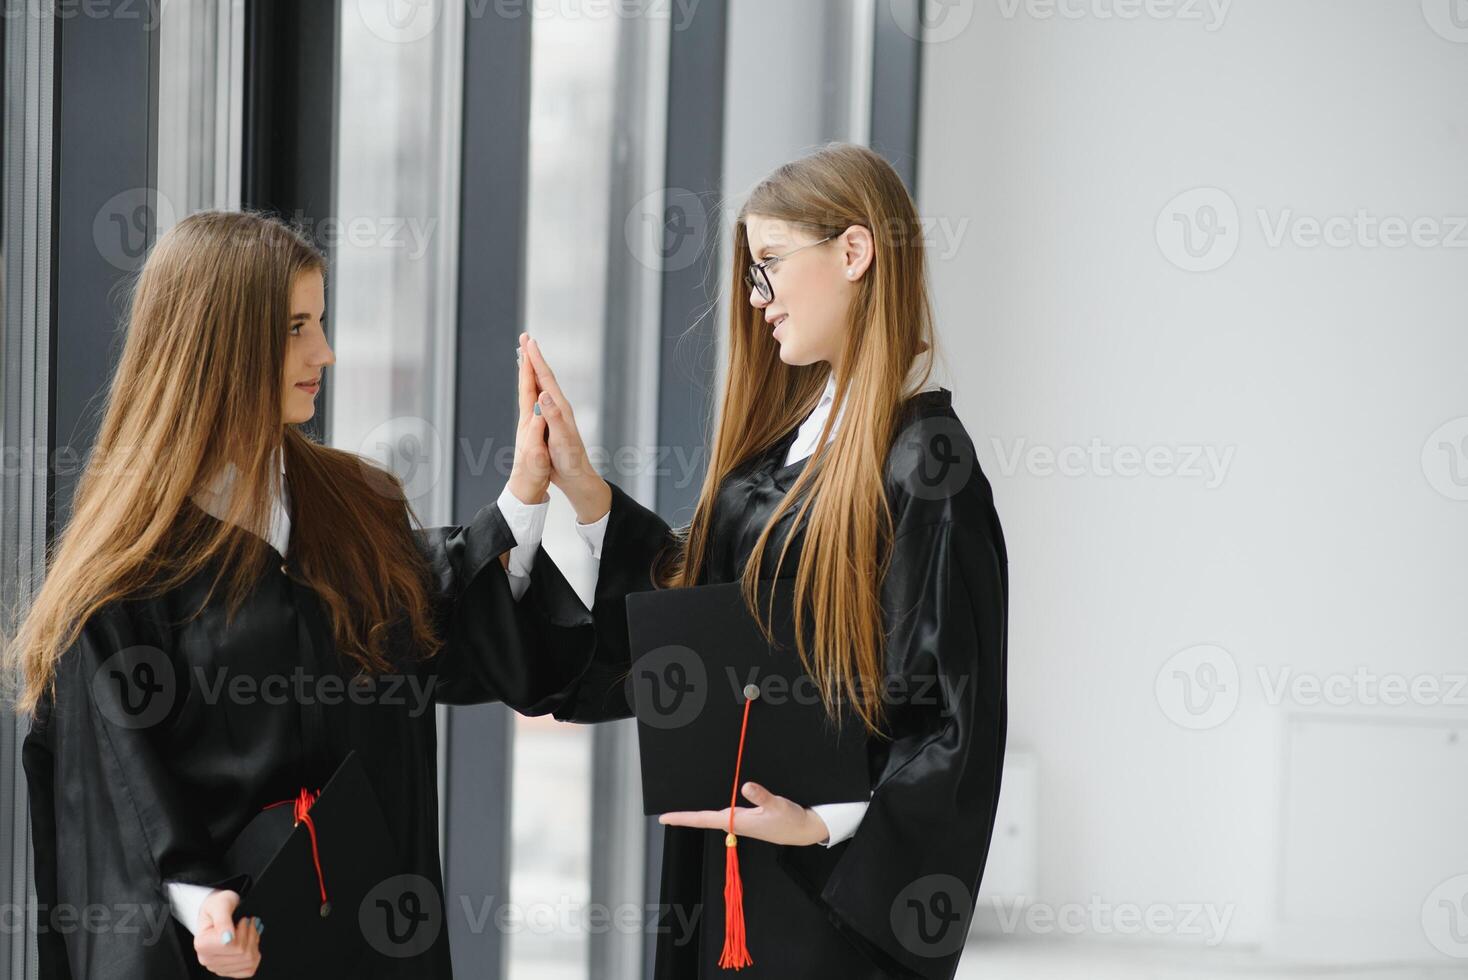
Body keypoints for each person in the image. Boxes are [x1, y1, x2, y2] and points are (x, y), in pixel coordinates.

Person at [5, 211, 634, 979]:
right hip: (232, 955)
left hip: (372, 938)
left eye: (322, 322)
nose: (324, 353)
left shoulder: (353, 503)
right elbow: (118, 790)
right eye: (296, 327)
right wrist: (201, 905)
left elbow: (438, 622)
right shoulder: (131, 572)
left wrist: (525, 496)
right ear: (221, 343)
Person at [517, 142, 1010, 979]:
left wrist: (823, 824)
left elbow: (956, 719)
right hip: (728, 868)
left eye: (771, 265)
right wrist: (586, 492)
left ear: (854, 253)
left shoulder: (926, 466)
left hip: (825, 902)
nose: (758, 300)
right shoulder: (788, 452)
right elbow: (708, 613)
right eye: (752, 274)